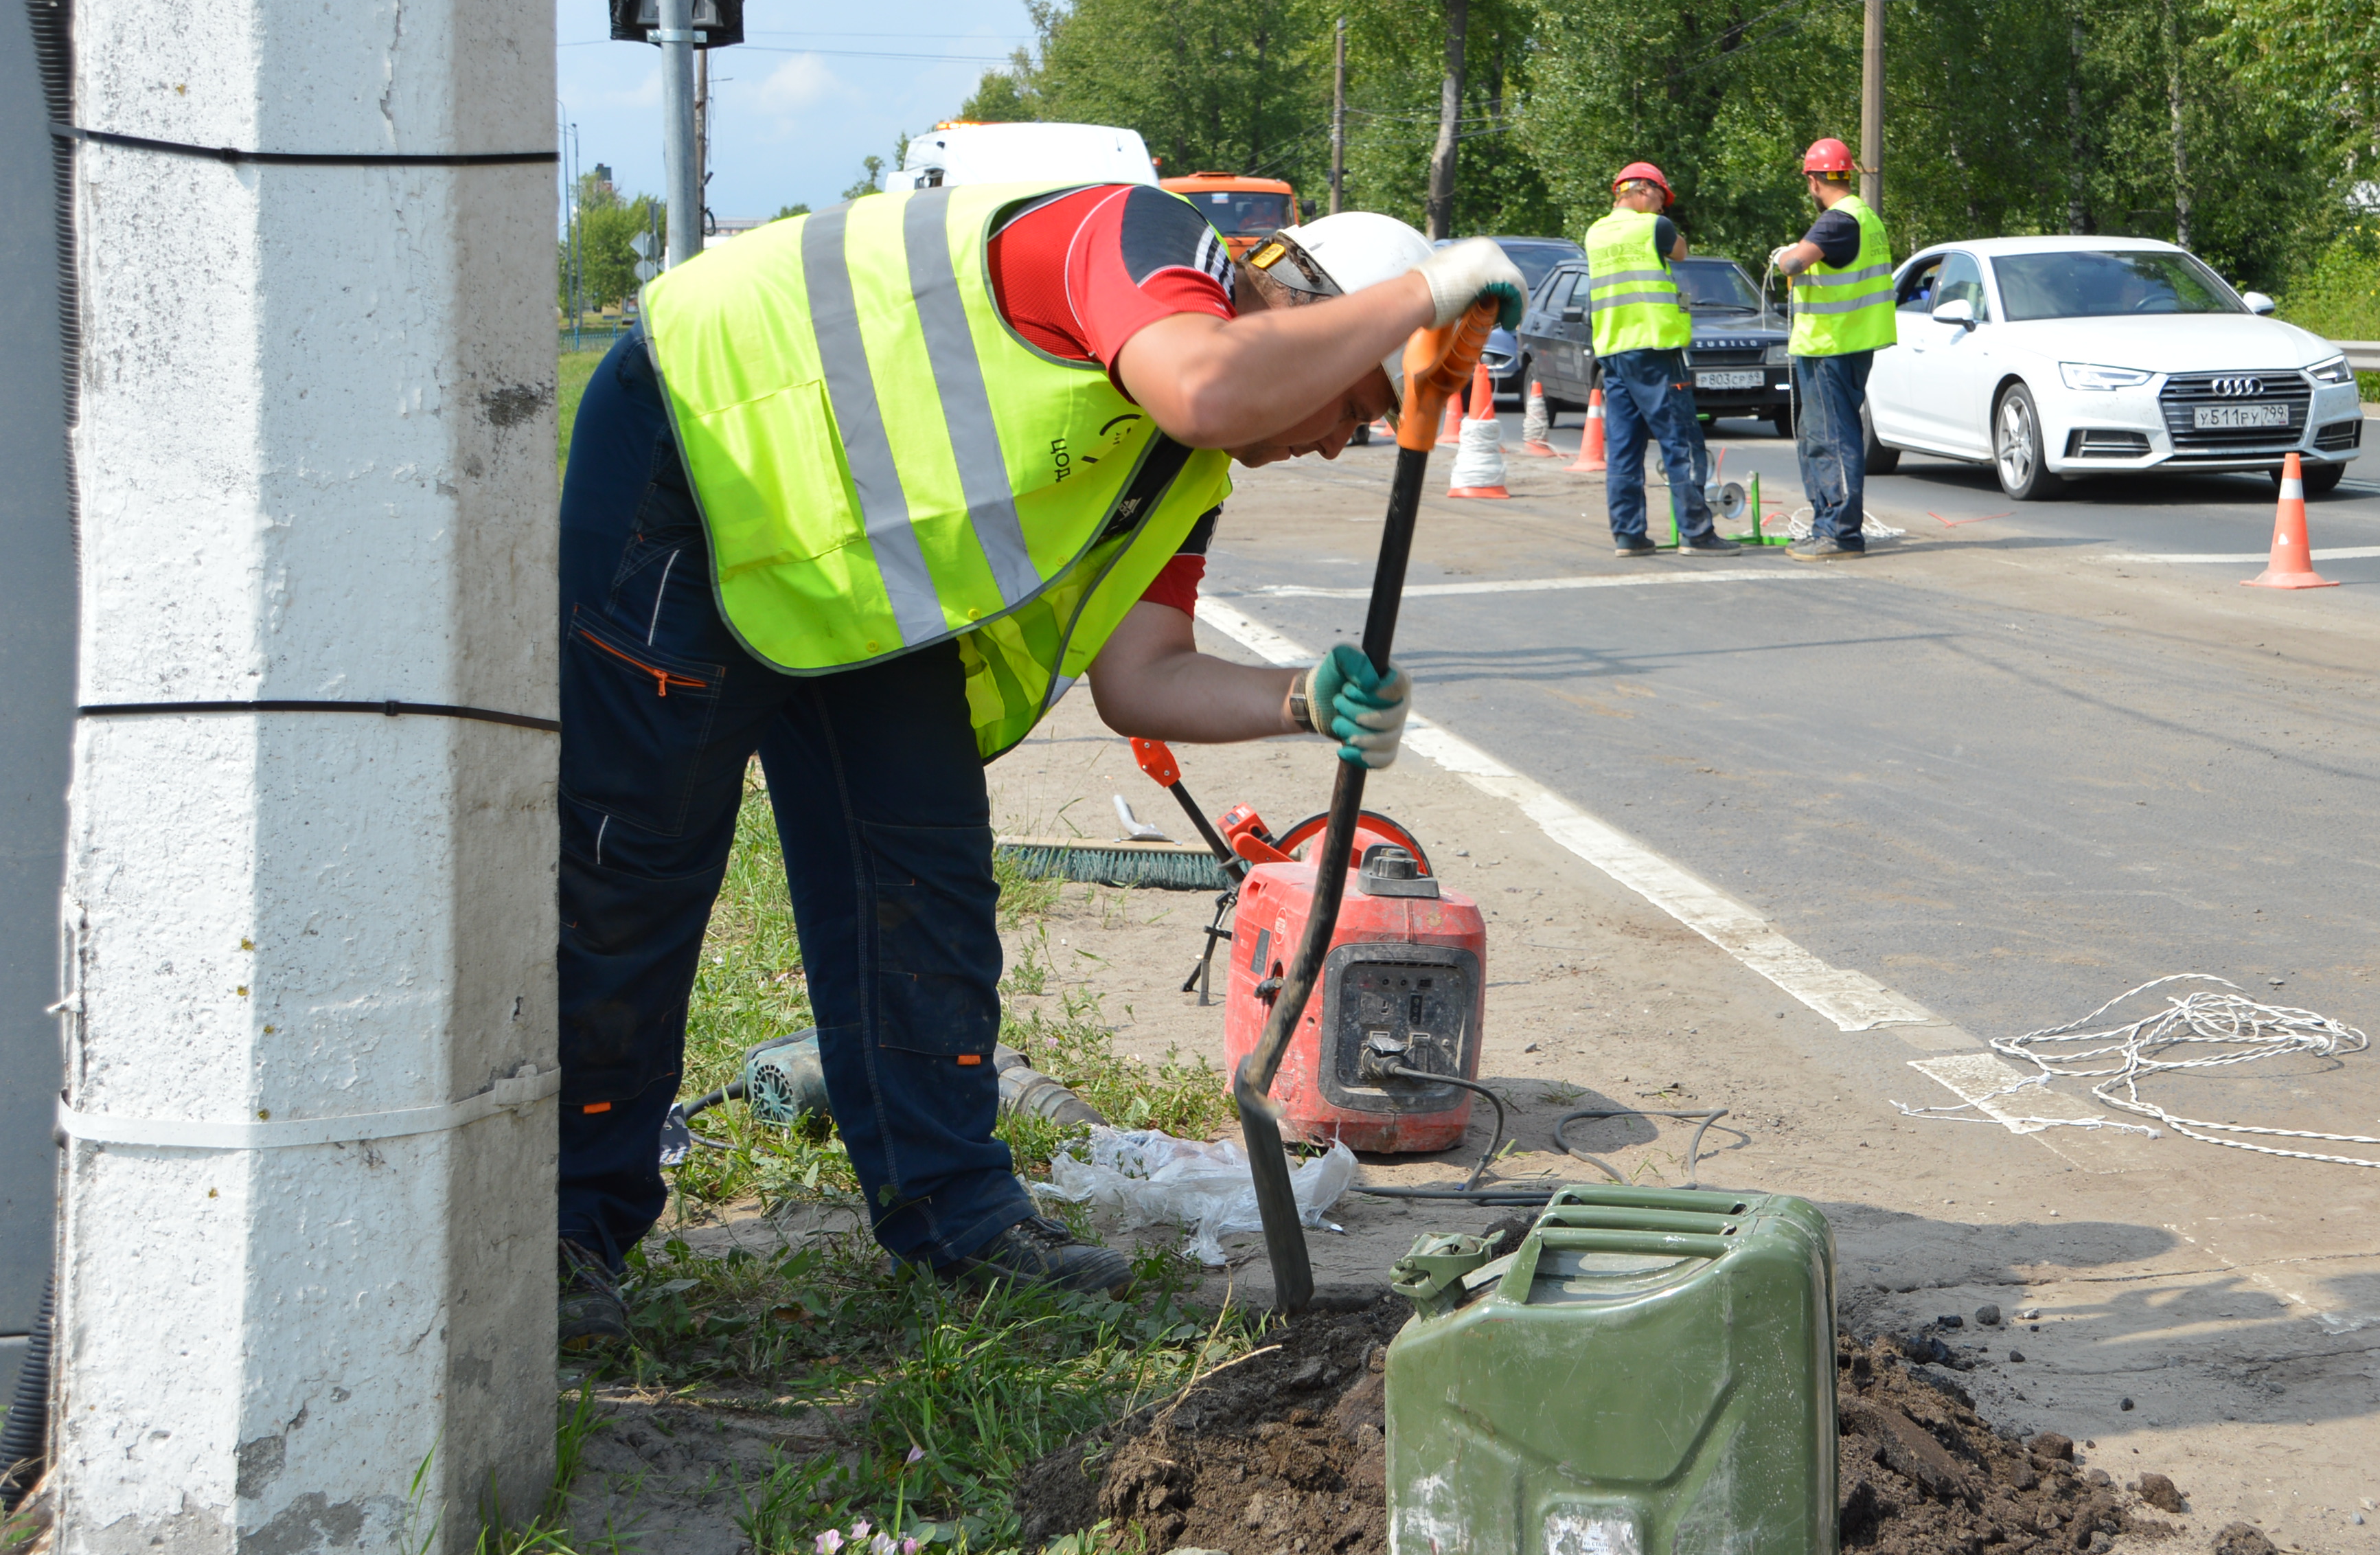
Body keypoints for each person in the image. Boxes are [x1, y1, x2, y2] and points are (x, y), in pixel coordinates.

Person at [555, 179, 1526, 1348]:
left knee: (922, 876)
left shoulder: (1182, 471)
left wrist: (1301, 698)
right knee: (634, 867)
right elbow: (1210, 383)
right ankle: (568, 1229)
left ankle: (955, 1213)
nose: (1331, 441)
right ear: (1294, 306)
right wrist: (1425, 295)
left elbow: (1142, 677)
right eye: (1352, 401)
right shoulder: (1138, 235)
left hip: (860, 564)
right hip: (702, 450)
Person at [1583, 161, 1735, 558]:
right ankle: (1697, 533)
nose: (1662, 207)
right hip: (1654, 349)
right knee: (1681, 442)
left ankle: (1629, 535)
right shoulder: (1655, 227)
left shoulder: (1595, 233)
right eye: (1661, 198)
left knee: (1624, 447)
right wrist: (1661, 224)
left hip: (1613, 350)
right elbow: (1680, 252)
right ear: (1643, 190)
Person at [1767, 138, 1895, 560]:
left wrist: (1784, 254)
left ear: (1814, 181)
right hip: (1846, 344)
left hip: (1830, 346)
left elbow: (1793, 264)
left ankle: (1840, 533)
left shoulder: (1837, 221)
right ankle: (1826, 525)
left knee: (1831, 439)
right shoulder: (1865, 216)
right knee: (1817, 435)